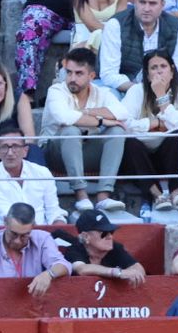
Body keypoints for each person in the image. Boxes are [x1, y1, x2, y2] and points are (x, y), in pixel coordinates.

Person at [42, 46, 128, 211]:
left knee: (117, 131)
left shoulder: (101, 92)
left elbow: (122, 113)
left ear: (92, 76)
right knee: (70, 130)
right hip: (55, 153)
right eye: (69, 72)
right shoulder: (56, 90)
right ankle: (81, 196)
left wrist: (88, 112)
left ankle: (103, 196)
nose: (72, 78)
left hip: (87, 151)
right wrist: (101, 122)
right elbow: (64, 117)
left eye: (79, 73)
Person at [120, 48, 178, 210]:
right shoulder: (136, 91)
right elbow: (123, 123)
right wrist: (150, 124)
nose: (159, 71)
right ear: (147, 74)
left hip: (168, 156)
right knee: (129, 143)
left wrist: (161, 96)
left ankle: (176, 193)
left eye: (163, 66)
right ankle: (157, 195)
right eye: (154, 68)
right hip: (140, 157)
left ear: (172, 71)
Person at [0, 201, 71, 299]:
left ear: (33, 226)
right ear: (5, 222)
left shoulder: (42, 239)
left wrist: (48, 274)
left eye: (24, 235)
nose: (17, 241)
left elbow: (64, 265)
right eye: (13, 234)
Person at [101, 0, 178, 97]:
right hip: (122, 87)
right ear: (135, 2)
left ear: (162, 5)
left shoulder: (176, 26)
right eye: (142, 2)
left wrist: (162, 90)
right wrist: (142, 90)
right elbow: (108, 74)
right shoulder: (116, 24)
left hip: (164, 87)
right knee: (109, 96)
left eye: (152, 3)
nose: (146, 8)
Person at [0, 125, 64, 225]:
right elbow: (9, 216)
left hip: (42, 234)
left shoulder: (42, 173)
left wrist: (58, 224)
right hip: (7, 234)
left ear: (25, 151)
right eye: (5, 147)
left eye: (15, 146)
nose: (10, 153)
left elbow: (53, 211)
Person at [61, 208, 148, 285]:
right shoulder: (75, 248)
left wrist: (133, 273)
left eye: (111, 232)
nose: (110, 236)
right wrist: (117, 273)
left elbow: (138, 269)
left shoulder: (115, 247)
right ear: (86, 236)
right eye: (104, 233)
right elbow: (82, 269)